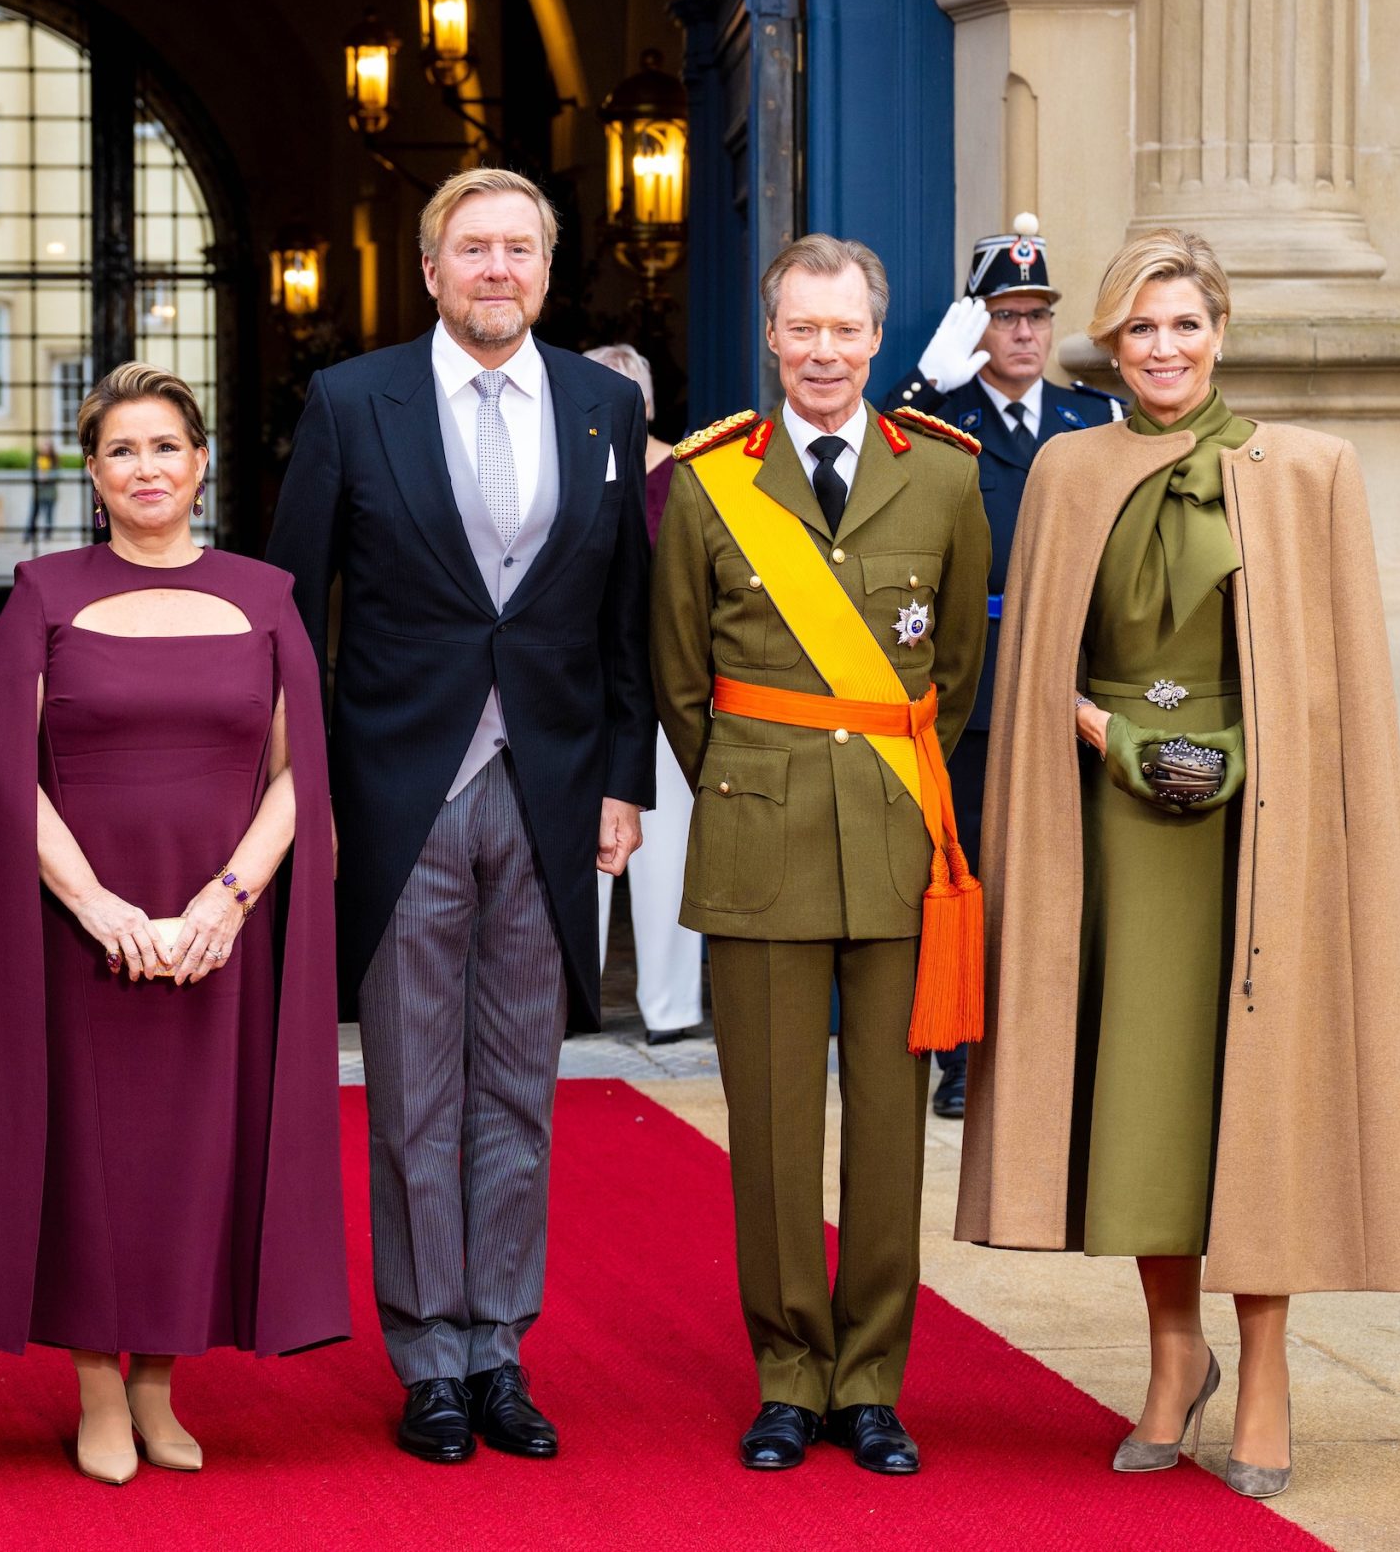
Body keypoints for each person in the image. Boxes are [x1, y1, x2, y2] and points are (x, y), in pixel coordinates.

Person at [955, 227, 1400, 1500]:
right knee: (1145, 1104)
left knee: (1256, 1101)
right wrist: (1107, 736)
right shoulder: (1065, 470)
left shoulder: (1310, 471)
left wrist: (1212, 757)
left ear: (1219, 331)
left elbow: (1331, 692)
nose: (1162, 349)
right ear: (1106, 344)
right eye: (1138, 328)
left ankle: (1266, 1365)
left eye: (1182, 324)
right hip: (1112, 838)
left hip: (1256, 832)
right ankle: (1174, 1358)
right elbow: (1035, 666)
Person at [265, 167, 653, 1466]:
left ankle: (503, 1347)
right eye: (472, 248)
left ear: (548, 271)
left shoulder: (606, 406)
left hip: (547, 792)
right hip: (399, 791)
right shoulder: (350, 399)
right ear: (430, 269)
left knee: (521, 1090)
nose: (497, 268)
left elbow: (624, 615)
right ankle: (430, 1353)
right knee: (416, 1090)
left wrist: (620, 778)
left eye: (519, 249)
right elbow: (287, 609)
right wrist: (299, 791)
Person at [0, 363, 348, 1486]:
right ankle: (98, 1390)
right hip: (81, 929)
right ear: (89, 473)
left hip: (215, 934)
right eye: (121, 451)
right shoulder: (44, 594)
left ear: (200, 464)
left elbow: (303, 774)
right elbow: (6, 774)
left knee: (197, 1156)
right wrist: (97, 904)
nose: (146, 468)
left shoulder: (267, 595)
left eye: (165, 447)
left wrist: (227, 902)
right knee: (94, 1162)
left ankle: (160, 1387)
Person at [650, 234, 989, 1477]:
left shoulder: (944, 480)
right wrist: (757, 786)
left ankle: (872, 1384)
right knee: (778, 1134)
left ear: (877, 338)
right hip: (758, 836)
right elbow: (681, 680)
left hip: (896, 840)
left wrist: (880, 775)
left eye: (846, 331)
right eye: (803, 330)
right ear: (771, 335)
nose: (825, 353)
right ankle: (789, 1377)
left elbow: (949, 672)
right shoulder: (706, 483)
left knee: (891, 1129)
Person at [873, 216, 1121, 1118]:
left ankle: (1057, 1043)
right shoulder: (935, 419)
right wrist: (919, 382)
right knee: (967, 865)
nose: (1023, 332)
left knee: (1064, 864)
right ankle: (963, 1056)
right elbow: (867, 462)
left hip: (1067, 672)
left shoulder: (1095, 418)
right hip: (972, 683)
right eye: (1006, 314)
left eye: (1036, 316)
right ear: (977, 324)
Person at [581, 342, 704, 1044]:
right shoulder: (561, 471)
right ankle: (571, 1000)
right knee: (575, 854)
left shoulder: (685, 475)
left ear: (649, 402)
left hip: (663, 687)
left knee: (666, 852)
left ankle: (672, 1006)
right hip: (577, 690)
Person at [25, 435, 59, 542]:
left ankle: (47, 536)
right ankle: (28, 536)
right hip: (38, 493)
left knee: (49, 516)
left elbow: (57, 475)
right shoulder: (37, 460)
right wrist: (38, 475)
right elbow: (31, 473)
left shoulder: (54, 461)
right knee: (33, 515)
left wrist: (47, 476)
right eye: (44, 445)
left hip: (49, 493)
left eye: (48, 445)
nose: (46, 448)